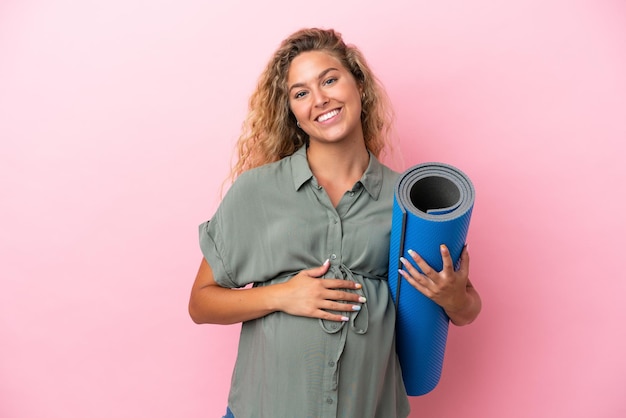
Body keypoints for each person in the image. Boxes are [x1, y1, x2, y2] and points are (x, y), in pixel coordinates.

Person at [188, 28, 481, 418]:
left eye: (329, 79)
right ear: (291, 111)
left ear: (357, 84)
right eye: (301, 92)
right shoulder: (257, 191)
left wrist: (452, 297)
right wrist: (282, 295)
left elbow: (467, 309)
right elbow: (200, 303)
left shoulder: (407, 200)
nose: (320, 98)